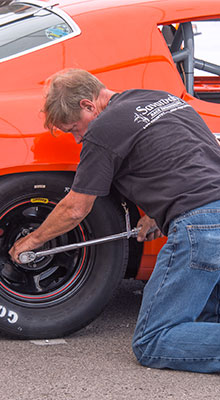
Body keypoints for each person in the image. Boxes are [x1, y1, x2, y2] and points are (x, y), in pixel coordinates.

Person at [9, 68, 220, 373]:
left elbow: (75, 209)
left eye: (73, 128)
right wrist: (154, 213)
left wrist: (30, 242)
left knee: (153, 340)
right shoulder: (159, 99)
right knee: (204, 317)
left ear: (87, 105)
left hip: (201, 227)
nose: (78, 138)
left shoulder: (103, 131)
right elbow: (185, 157)